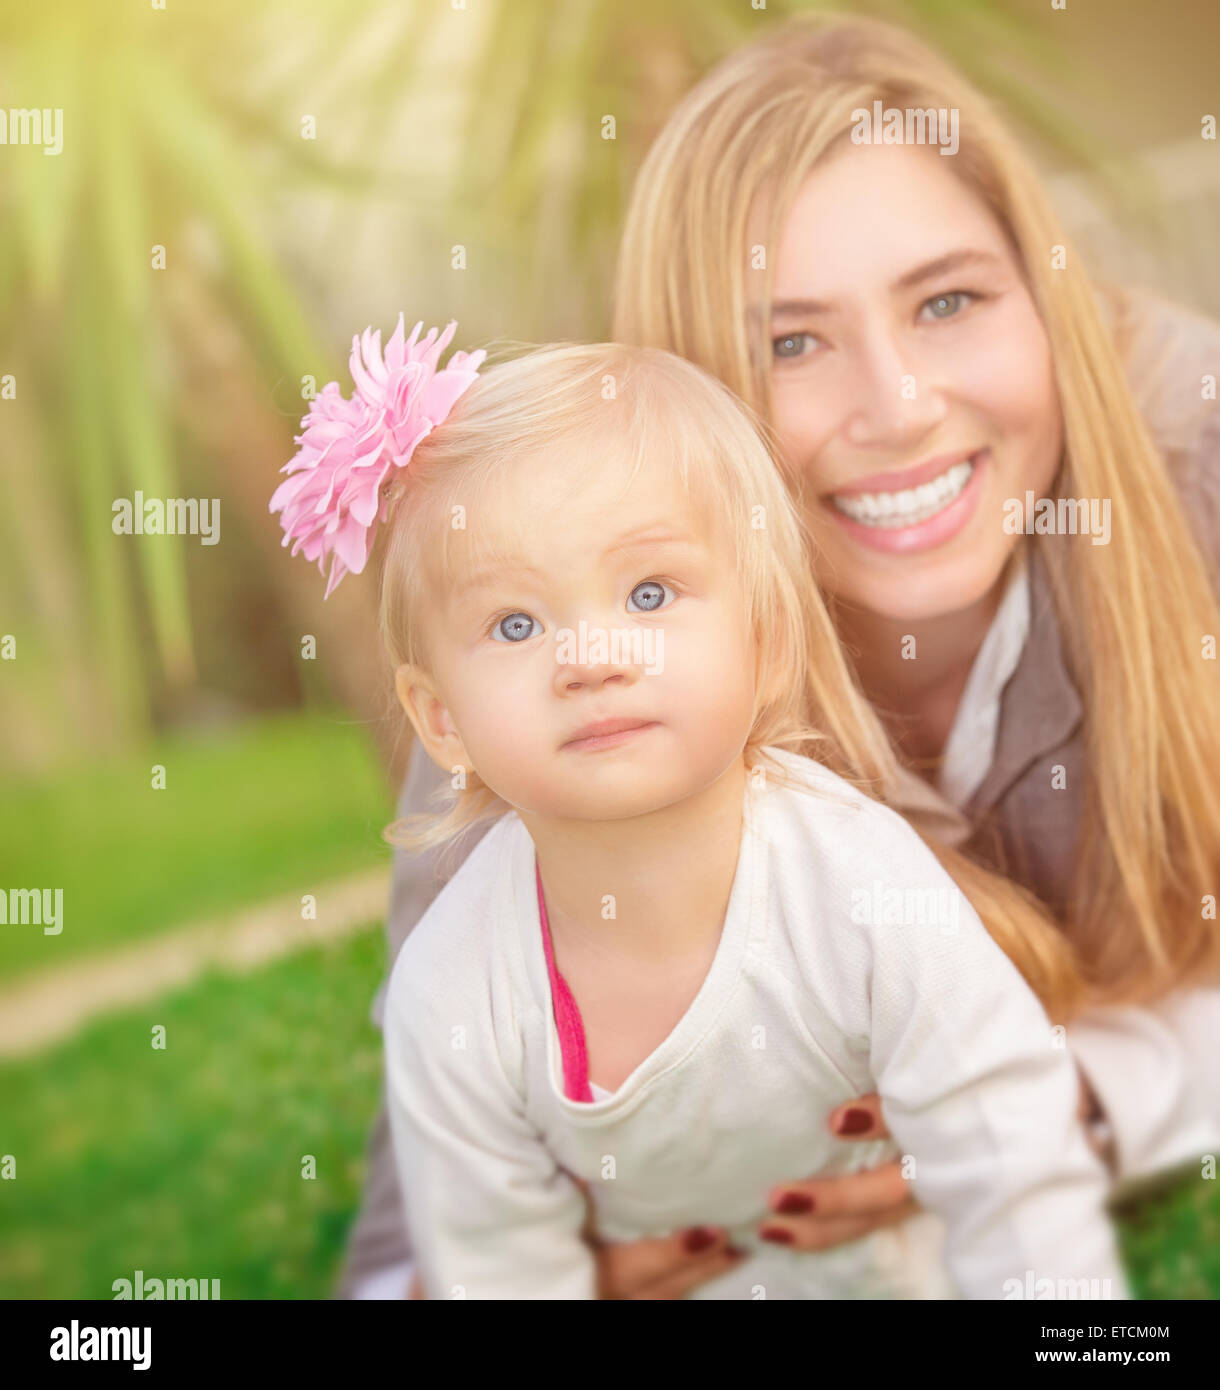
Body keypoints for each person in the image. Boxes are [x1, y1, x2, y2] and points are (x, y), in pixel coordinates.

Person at [336, 13, 1220, 1300]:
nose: (899, 406)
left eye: (950, 299)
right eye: (787, 342)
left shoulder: (1190, 470)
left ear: (1044, 298)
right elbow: (407, 1240)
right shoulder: (549, 707)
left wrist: (1075, 1095)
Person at [289, 323, 1127, 1298]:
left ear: (766, 645)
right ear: (442, 721)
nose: (590, 657)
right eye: (515, 622)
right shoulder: (454, 990)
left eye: (649, 592)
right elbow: (496, 1265)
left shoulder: (855, 884)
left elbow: (1005, 1147)